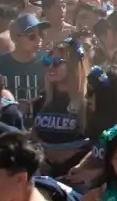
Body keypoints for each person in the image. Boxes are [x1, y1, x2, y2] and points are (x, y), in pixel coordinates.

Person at [31, 36, 91, 177]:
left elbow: (98, 143)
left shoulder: (89, 101)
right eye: (47, 62)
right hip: (43, 172)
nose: (51, 67)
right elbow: (35, 137)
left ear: (73, 65)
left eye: (57, 62)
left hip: (76, 173)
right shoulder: (42, 99)